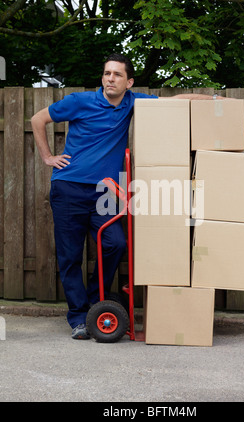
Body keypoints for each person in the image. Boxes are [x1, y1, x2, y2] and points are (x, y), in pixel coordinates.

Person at [31, 53, 223, 340]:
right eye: (107, 73)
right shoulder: (79, 101)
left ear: (128, 82)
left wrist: (215, 102)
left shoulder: (133, 102)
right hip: (69, 187)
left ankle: (98, 304)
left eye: (117, 74)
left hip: (104, 190)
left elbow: (176, 101)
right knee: (70, 256)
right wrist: (47, 157)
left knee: (115, 244)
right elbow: (38, 119)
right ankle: (79, 317)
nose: (111, 78)